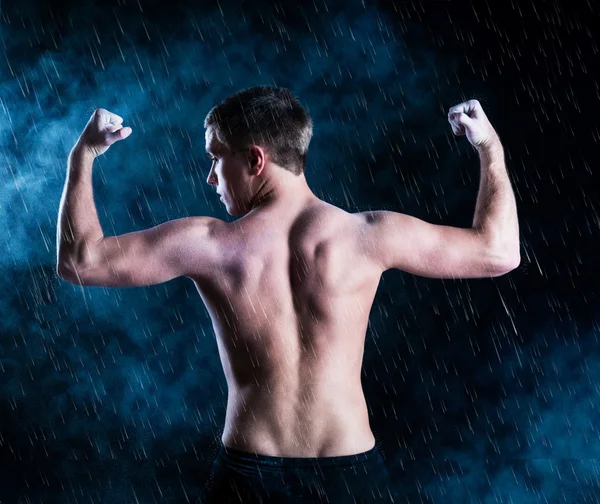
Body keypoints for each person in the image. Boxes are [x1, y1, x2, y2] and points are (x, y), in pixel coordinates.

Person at [56, 86, 520, 503]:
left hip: (250, 475)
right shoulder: (369, 236)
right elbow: (498, 252)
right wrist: (490, 148)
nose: (211, 179)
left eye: (216, 158)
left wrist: (84, 155)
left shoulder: (210, 244)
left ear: (255, 160)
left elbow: (80, 261)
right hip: (349, 476)